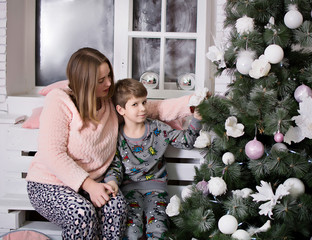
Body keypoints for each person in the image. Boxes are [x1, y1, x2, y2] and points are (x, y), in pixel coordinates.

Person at [26, 47, 196, 239]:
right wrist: (88, 185)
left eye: (109, 76)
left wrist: (192, 102)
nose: (108, 83)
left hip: (95, 185)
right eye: (101, 80)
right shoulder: (59, 101)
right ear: (85, 83)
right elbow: (52, 153)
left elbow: (154, 109)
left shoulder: (108, 101)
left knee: (117, 208)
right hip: (51, 184)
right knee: (82, 214)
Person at [104, 78, 202, 240]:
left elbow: (187, 141)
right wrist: (111, 181)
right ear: (121, 110)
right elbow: (115, 166)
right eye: (135, 104)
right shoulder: (117, 136)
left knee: (158, 228)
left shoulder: (159, 129)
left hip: (156, 190)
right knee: (131, 232)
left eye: (144, 102)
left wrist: (196, 119)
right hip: (129, 191)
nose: (142, 108)